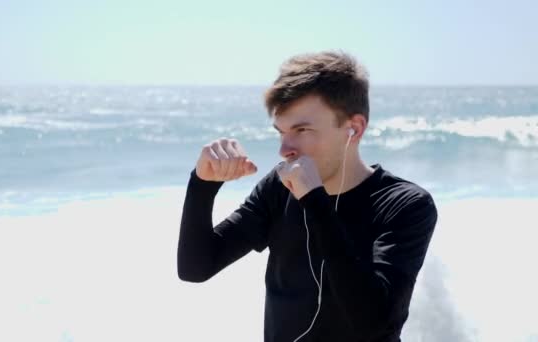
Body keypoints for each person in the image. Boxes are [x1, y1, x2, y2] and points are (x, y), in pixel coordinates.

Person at [177, 51, 438, 342]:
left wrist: (315, 201)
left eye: (302, 130)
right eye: (282, 132)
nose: (285, 149)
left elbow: (374, 324)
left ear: (354, 129)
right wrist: (202, 184)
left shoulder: (405, 204)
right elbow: (195, 268)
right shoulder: (278, 187)